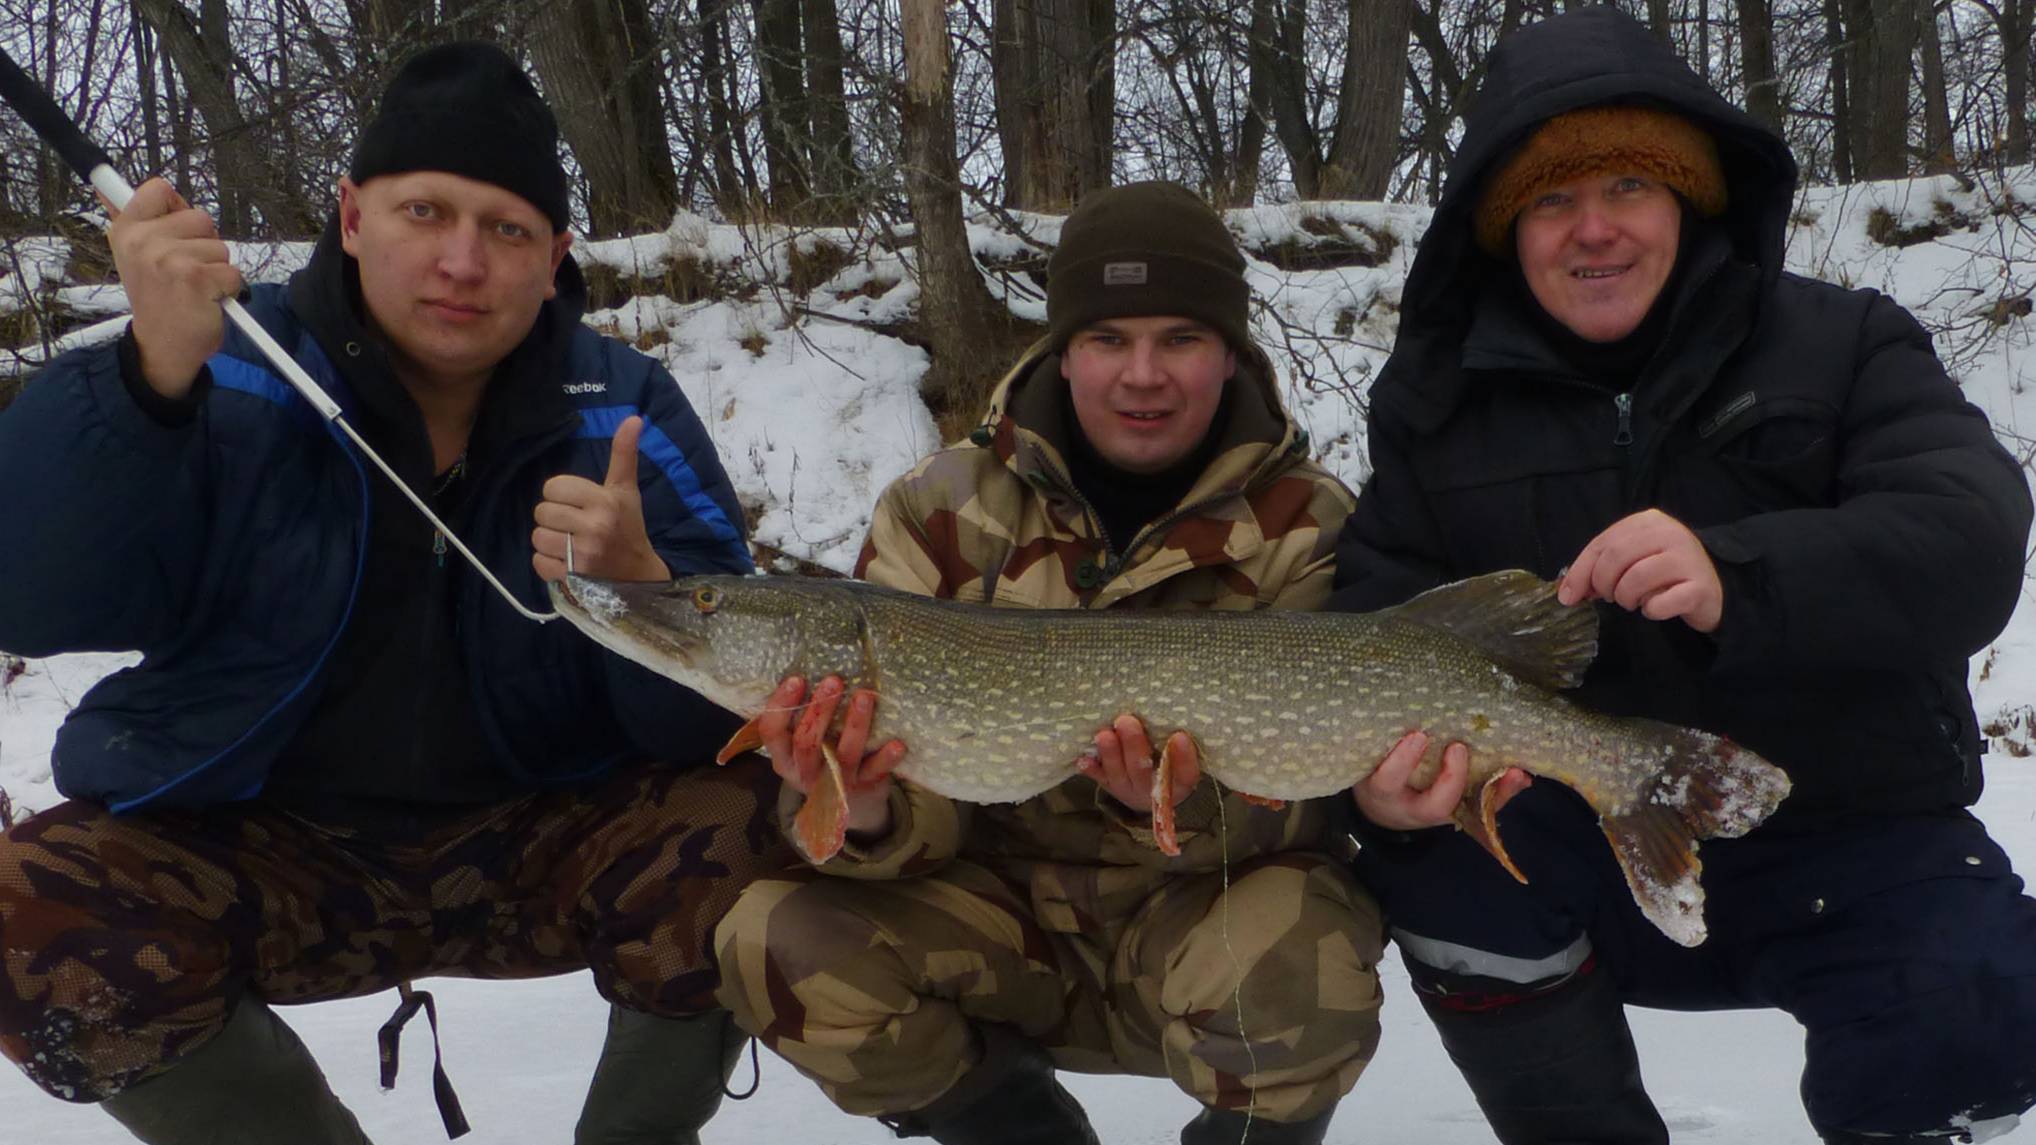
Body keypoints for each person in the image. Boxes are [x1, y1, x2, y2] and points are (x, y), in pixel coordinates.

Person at [0, 42, 788, 1145]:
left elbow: (727, 725)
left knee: (774, 822)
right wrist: (146, 382)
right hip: (268, 845)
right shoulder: (228, 365)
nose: (462, 260)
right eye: (425, 210)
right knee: (25, 904)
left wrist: (645, 595)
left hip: (541, 838)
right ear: (353, 215)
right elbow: (30, 596)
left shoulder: (622, 409)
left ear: (555, 254)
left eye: (507, 229)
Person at [1332, 8, 2036, 1144]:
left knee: (1977, 994)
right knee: (1438, 873)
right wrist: (1376, 785)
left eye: (1627, 187)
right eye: (1550, 200)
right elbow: (1368, 618)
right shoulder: (1437, 408)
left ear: (1689, 198)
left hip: (1848, 831)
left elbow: (1967, 536)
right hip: (1579, 842)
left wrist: (1738, 574)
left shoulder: (1843, 342)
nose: (1591, 230)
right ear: (1504, 229)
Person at [712, 181, 1416, 1145]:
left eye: (1181, 338)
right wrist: (864, 804)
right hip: (998, 933)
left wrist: (1157, 803)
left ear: (1231, 353)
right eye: (1107, 339)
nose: (1143, 374)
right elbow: (925, 826)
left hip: (1198, 925)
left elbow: (1303, 793)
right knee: (772, 936)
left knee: (1305, 949)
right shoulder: (939, 509)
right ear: (1061, 349)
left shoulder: (1305, 524)